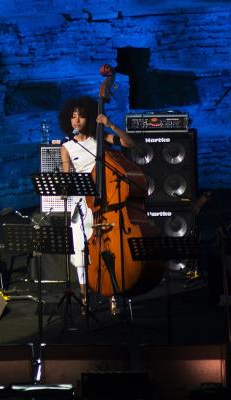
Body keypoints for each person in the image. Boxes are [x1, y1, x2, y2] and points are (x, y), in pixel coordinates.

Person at [58, 97, 135, 313]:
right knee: (81, 249)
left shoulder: (99, 138)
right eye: (73, 116)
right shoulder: (66, 147)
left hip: (105, 198)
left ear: (88, 118)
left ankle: (112, 295)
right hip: (82, 202)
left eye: (80, 116)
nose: (76, 120)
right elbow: (67, 177)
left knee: (108, 246)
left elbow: (130, 143)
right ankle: (84, 297)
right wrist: (64, 191)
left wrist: (110, 125)